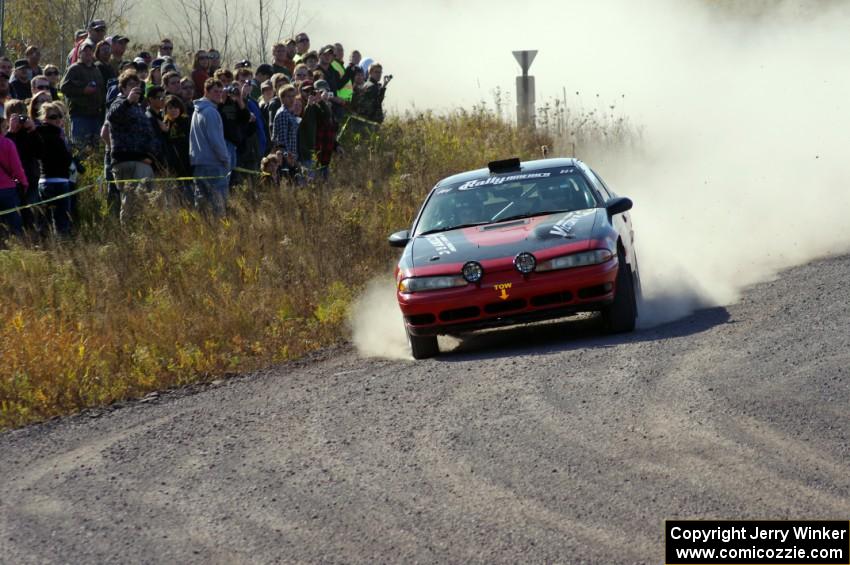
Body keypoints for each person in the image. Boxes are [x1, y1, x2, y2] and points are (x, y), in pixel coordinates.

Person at [104, 70, 157, 224]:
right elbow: (112, 116)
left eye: (138, 86)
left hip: (142, 160)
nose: (136, 88)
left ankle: (141, 233)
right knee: (130, 201)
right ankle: (129, 234)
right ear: (123, 88)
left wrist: (151, 157)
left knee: (144, 201)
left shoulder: (139, 107)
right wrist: (128, 101)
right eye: (131, 85)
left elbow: (148, 133)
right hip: (126, 160)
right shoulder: (119, 102)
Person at [190, 78, 230, 215]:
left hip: (199, 165)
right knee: (218, 207)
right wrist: (225, 159)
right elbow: (216, 141)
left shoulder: (197, 111)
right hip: (213, 165)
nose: (219, 94)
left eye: (221, 91)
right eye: (215, 91)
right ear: (206, 91)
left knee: (203, 208)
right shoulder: (211, 112)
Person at [35, 102, 74, 236]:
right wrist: (63, 142)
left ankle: (45, 247)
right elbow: (67, 160)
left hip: (43, 182)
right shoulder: (56, 135)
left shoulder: (37, 133)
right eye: (53, 117)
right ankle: (62, 248)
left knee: (44, 221)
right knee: (62, 222)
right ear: (44, 118)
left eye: (60, 116)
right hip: (58, 182)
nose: (57, 119)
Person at [60, 39, 106, 149]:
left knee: (95, 149)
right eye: (85, 51)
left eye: (90, 50)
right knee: (80, 148)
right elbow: (63, 87)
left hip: (95, 115)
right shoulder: (74, 68)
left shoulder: (96, 70)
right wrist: (83, 90)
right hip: (80, 115)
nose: (88, 53)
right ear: (79, 53)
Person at [0, 112, 28, 237]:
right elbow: (17, 168)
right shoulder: (7, 143)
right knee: (14, 226)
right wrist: (24, 183)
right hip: (7, 190)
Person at [163, 95, 192, 203]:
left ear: (180, 108)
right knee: (174, 198)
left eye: (176, 107)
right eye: (170, 108)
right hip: (171, 166)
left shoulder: (186, 121)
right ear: (166, 110)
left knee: (188, 196)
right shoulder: (165, 124)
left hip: (186, 164)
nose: (174, 110)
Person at [271, 85, 299, 170]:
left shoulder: (290, 113)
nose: (292, 99)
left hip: (291, 157)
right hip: (284, 158)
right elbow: (281, 140)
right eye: (288, 96)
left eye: (293, 96)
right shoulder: (283, 113)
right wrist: (287, 157)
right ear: (282, 98)